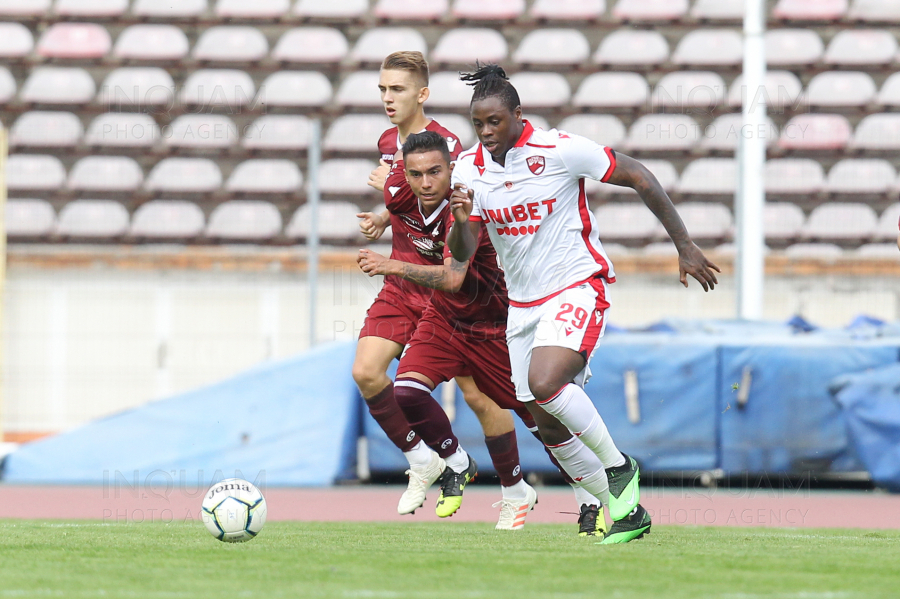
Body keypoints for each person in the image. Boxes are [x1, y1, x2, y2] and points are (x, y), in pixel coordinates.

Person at [447, 64, 721, 544]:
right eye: (479, 124)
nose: (487, 132)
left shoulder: (559, 149)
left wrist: (684, 245)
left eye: (495, 121)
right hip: (524, 304)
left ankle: (619, 467)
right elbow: (464, 251)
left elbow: (638, 174)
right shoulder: (469, 169)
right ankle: (628, 514)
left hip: (577, 284)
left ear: (517, 114)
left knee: (545, 382)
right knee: (546, 423)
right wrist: (461, 220)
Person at [359, 131, 607, 535]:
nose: (425, 183)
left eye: (434, 172)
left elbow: (454, 278)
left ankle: (588, 496)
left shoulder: (470, 204)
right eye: (415, 174)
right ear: (404, 174)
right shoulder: (397, 193)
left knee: (541, 419)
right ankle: (455, 463)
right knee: (406, 392)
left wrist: (392, 266)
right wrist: (381, 218)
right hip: (441, 321)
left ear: (451, 169)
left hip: (492, 325)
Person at [351, 51, 537, 522]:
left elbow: (455, 216)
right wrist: (380, 216)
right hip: (403, 283)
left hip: (446, 289)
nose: (388, 98)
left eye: (396, 89)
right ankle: (429, 460)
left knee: (480, 396)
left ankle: (515, 486)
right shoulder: (388, 141)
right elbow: (404, 204)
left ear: (422, 94)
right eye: (382, 89)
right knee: (368, 373)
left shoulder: (448, 145)